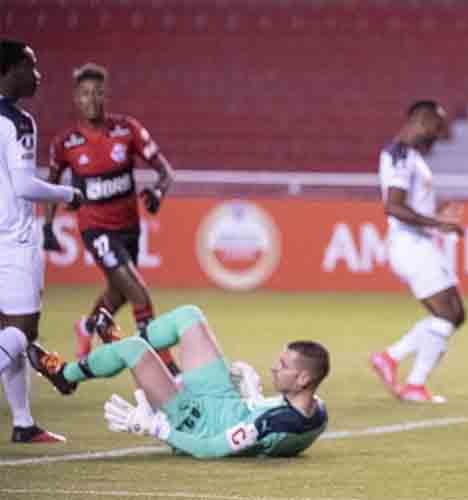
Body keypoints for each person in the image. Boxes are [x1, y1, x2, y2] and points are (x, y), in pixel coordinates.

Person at [26, 305, 330, 458]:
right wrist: (252, 398)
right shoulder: (317, 411)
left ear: (303, 378)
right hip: (225, 401)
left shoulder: (274, 423)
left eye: (283, 365)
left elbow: (210, 449)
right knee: (189, 316)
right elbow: (283, 428)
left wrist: (158, 428)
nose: (274, 368)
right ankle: (129, 350)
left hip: (195, 422)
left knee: (132, 352)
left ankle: (64, 375)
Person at [43, 62, 179, 374]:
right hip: (96, 229)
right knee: (138, 292)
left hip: (129, 227)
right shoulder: (66, 143)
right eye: (85, 93)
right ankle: (167, 366)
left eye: (98, 93)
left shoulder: (127, 130)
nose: (92, 99)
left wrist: (158, 193)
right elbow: (53, 183)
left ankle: (86, 326)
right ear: (76, 98)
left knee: (117, 293)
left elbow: (165, 172)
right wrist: (47, 225)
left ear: (106, 96)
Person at [0, 39, 83, 443]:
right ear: (8, 70)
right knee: (22, 330)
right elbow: (24, 186)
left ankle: (23, 422)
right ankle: (24, 419)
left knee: (9, 333)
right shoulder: (17, 122)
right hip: (11, 241)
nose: (37, 75)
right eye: (29, 66)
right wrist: (70, 194)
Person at [369, 100, 465, 403]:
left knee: (454, 314)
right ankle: (411, 381)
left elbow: (411, 203)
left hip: (420, 244)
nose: (439, 136)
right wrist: (437, 222)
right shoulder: (398, 155)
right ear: (421, 122)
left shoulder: (411, 157)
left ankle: (392, 359)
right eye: (437, 129)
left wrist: (437, 211)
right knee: (447, 314)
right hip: (410, 246)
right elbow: (393, 206)